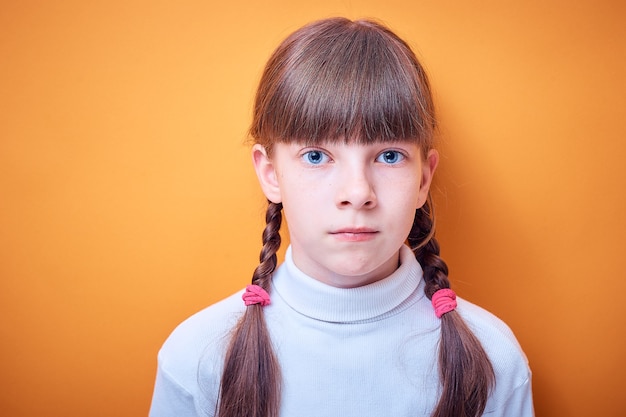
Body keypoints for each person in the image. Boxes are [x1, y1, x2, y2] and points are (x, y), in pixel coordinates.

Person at [149, 17, 534, 417]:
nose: (357, 193)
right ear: (269, 173)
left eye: (388, 156)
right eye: (316, 156)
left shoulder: (493, 360)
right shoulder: (197, 358)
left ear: (423, 178)